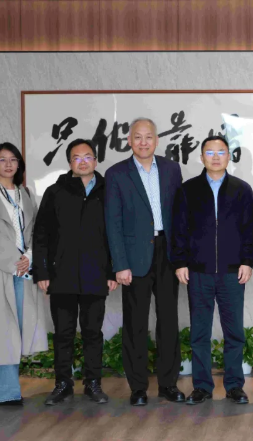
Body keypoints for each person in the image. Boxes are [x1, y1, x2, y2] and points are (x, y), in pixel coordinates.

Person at [105, 117, 184, 406]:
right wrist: (119, 263)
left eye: (148, 137)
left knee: (169, 320)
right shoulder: (116, 173)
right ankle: (138, 387)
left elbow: (180, 215)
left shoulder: (172, 169)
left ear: (156, 140)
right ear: (129, 141)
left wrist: (182, 257)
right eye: (137, 137)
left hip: (167, 252)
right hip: (134, 256)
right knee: (135, 323)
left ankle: (168, 384)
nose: (143, 142)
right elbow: (112, 222)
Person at [171, 136, 253, 405]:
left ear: (229, 156)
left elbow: (249, 230)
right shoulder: (188, 189)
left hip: (232, 272)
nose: (216, 157)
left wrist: (247, 261)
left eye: (221, 152)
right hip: (198, 272)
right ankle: (202, 387)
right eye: (210, 152)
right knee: (199, 333)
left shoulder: (242, 190)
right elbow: (179, 229)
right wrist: (180, 263)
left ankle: (234, 386)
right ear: (202, 157)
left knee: (234, 333)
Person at [33, 139, 117, 405]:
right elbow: (41, 235)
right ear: (69, 162)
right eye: (76, 157)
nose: (82, 161)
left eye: (87, 156)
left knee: (93, 332)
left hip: (96, 274)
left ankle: (93, 383)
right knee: (63, 333)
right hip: (62, 275)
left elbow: (115, 235)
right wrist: (42, 272)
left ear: (96, 160)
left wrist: (112, 271)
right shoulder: (55, 192)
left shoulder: (108, 191)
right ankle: (62, 384)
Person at [0, 143, 47, 405]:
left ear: (19, 164)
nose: (8, 164)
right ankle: (4, 394)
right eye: (2, 159)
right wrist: (15, 262)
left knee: (17, 331)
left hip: (23, 270)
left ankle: (11, 391)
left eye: (13, 159)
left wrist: (29, 257)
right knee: (0, 332)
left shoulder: (25, 193)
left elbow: (37, 229)